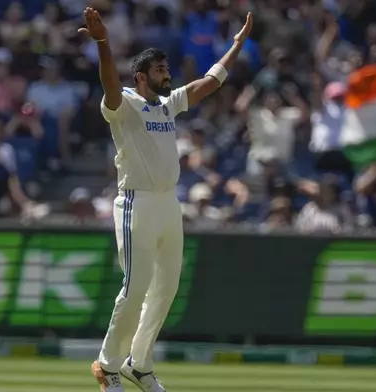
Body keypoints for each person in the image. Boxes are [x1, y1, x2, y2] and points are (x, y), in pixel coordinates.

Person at [78, 6, 253, 392]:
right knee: (135, 285)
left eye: (167, 68)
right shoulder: (123, 103)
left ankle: (138, 364)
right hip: (135, 203)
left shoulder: (167, 104)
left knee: (166, 288)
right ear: (141, 77)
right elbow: (108, 83)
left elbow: (210, 82)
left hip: (168, 204)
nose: (167, 74)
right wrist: (104, 44)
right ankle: (107, 365)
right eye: (159, 70)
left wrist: (237, 45)